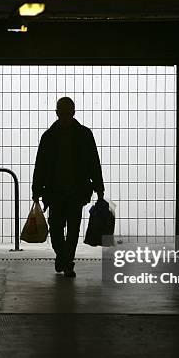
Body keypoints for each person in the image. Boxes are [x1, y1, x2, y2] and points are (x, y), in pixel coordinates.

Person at [32, 97, 105, 278]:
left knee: (59, 228)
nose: (65, 117)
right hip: (75, 190)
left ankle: (65, 260)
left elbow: (40, 165)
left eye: (66, 113)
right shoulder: (84, 134)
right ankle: (66, 260)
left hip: (56, 191)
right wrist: (98, 187)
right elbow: (93, 163)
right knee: (70, 229)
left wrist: (36, 190)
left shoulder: (49, 136)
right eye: (63, 113)